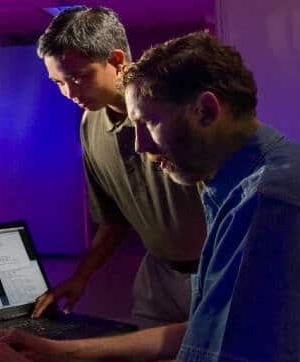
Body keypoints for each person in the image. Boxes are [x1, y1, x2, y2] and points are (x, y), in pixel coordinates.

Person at [0, 32, 300, 362]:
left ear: (205, 110)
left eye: (147, 124)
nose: (141, 145)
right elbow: (205, 336)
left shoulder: (270, 200)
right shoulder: (238, 181)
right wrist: (53, 352)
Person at [31, 6, 205, 328]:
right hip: (158, 273)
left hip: (218, 270)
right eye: (58, 82)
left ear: (116, 60)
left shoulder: (178, 107)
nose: (69, 93)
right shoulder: (89, 126)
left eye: (79, 77)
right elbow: (113, 220)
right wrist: (81, 277)